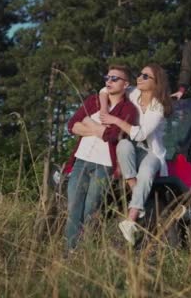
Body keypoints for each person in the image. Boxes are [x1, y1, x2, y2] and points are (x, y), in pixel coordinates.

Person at [64, 65, 138, 250]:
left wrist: (88, 123)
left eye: (115, 78)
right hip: (81, 161)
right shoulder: (93, 101)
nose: (109, 81)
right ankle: (69, 252)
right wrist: (99, 129)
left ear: (126, 84)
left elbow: (114, 135)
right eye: (108, 77)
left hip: (104, 166)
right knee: (73, 207)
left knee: (91, 211)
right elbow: (72, 125)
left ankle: (85, 251)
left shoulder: (129, 109)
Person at [99, 63, 173, 245]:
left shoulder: (158, 108)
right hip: (134, 149)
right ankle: (137, 197)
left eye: (145, 76)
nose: (139, 78)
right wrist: (103, 110)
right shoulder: (132, 92)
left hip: (152, 152)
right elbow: (104, 89)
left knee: (147, 172)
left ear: (156, 83)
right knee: (123, 144)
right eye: (140, 74)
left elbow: (141, 134)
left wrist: (114, 119)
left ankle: (131, 220)